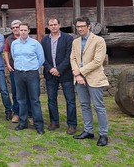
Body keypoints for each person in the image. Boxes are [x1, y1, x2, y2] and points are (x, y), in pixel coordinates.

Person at [71, 17, 109, 147]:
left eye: (82, 26)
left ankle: (103, 134)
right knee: (84, 105)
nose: (80, 28)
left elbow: (98, 61)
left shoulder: (99, 41)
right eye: (78, 26)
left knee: (99, 107)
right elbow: (72, 59)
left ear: (89, 26)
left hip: (94, 78)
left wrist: (80, 71)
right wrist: (78, 75)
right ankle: (88, 131)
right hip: (79, 79)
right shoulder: (75, 42)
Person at [40, 18, 77, 135]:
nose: (54, 26)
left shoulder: (68, 38)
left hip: (65, 73)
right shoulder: (44, 40)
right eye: (51, 25)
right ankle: (54, 122)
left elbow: (69, 56)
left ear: (59, 25)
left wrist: (59, 69)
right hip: (50, 74)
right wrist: (50, 69)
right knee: (51, 100)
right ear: (48, 27)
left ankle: (72, 124)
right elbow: (42, 57)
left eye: (55, 24)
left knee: (70, 100)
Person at [11, 23, 45, 134]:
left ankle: (38, 125)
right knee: (21, 99)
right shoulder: (14, 44)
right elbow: (14, 56)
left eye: (25, 30)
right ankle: (23, 123)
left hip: (31, 74)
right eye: (21, 30)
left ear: (29, 31)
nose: (23, 32)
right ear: (18, 31)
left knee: (34, 100)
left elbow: (41, 58)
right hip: (19, 74)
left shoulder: (35, 44)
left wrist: (33, 67)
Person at [3, 19, 31, 124]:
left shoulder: (28, 38)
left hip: (27, 70)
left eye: (17, 27)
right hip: (14, 69)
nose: (15, 29)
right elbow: (6, 52)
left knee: (28, 92)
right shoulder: (9, 39)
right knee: (15, 92)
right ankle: (16, 113)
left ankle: (30, 114)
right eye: (13, 27)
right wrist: (8, 65)